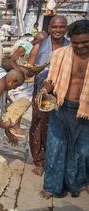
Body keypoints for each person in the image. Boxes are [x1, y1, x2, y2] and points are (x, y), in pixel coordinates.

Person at [38, 19, 89, 198]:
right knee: (55, 147)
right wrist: (45, 89)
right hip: (61, 106)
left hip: (85, 111)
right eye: (76, 43)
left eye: (85, 42)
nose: (80, 46)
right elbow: (50, 80)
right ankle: (51, 187)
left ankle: (76, 184)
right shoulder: (60, 55)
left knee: (82, 151)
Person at [28, 16, 69, 175]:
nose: (58, 30)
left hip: (62, 93)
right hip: (42, 92)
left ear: (66, 28)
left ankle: (56, 159)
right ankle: (40, 160)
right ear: (49, 28)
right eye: (54, 27)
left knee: (58, 128)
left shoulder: (71, 48)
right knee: (39, 125)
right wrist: (33, 70)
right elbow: (29, 70)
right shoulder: (39, 47)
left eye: (61, 27)